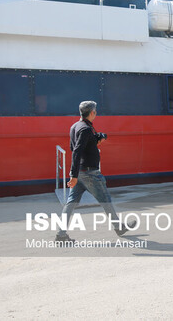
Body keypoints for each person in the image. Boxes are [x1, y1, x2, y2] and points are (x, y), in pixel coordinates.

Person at [55, 101, 136, 242]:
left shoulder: (75, 127)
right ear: (92, 112)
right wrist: (72, 175)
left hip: (81, 172)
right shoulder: (85, 129)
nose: (96, 113)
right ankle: (119, 227)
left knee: (71, 203)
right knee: (106, 200)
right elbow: (76, 152)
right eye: (95, 111)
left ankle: (61, 235)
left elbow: (73, 147)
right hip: (89, 173)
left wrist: (96, 140)